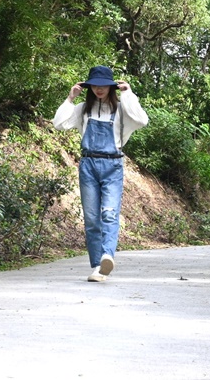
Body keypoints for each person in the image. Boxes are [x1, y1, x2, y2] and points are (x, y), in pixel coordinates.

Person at [53, 65, 149, 282]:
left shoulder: (122, 109)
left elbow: (142, 120)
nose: (99, 89)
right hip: (88, 165)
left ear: (111, 87)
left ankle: (107, 256)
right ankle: (97, 266)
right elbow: (59, 124)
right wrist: (70, 99)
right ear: (89, 86)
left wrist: (128, 93)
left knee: (109, 213)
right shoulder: (83, 109)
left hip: (113, 165)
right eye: (94, 85)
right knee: (92, 219)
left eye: (103, 85)